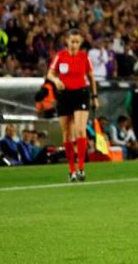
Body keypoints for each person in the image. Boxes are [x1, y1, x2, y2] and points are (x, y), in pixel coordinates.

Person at [46, 29, 98, 182]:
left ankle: (81, 167)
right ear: (67, 41)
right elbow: (50, 74)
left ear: (80, 43)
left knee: (80, 130)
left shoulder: (84, 57)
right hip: (64, 96)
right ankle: (71, 170)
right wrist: (56, 80)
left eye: (77, 42)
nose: (74, 44)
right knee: (67, 134)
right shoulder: (60, 56)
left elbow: (91, 77)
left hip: (81, 94)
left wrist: (94, 96)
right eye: (72, 41)